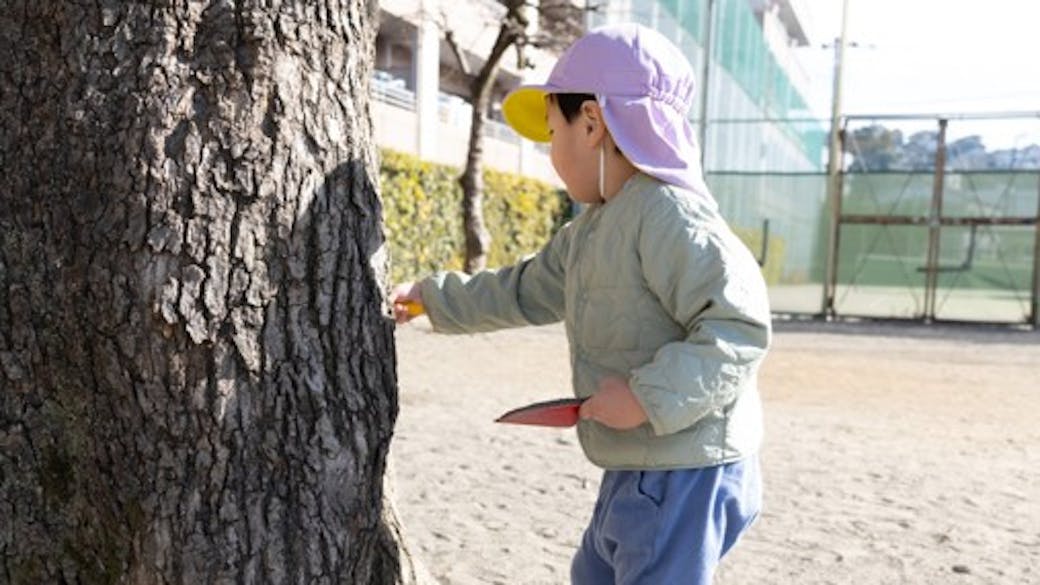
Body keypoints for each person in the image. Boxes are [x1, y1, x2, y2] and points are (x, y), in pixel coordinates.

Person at [392, 22, 770, 585]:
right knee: (594, 573)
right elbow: (523, 289)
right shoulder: (593, 227)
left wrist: (646, 396)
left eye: (552, 133)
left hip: (687, 464)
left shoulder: (670, 217)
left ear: (591, 123)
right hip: (640, 458)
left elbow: (738, 329)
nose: (549, 154)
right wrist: (434, 299)